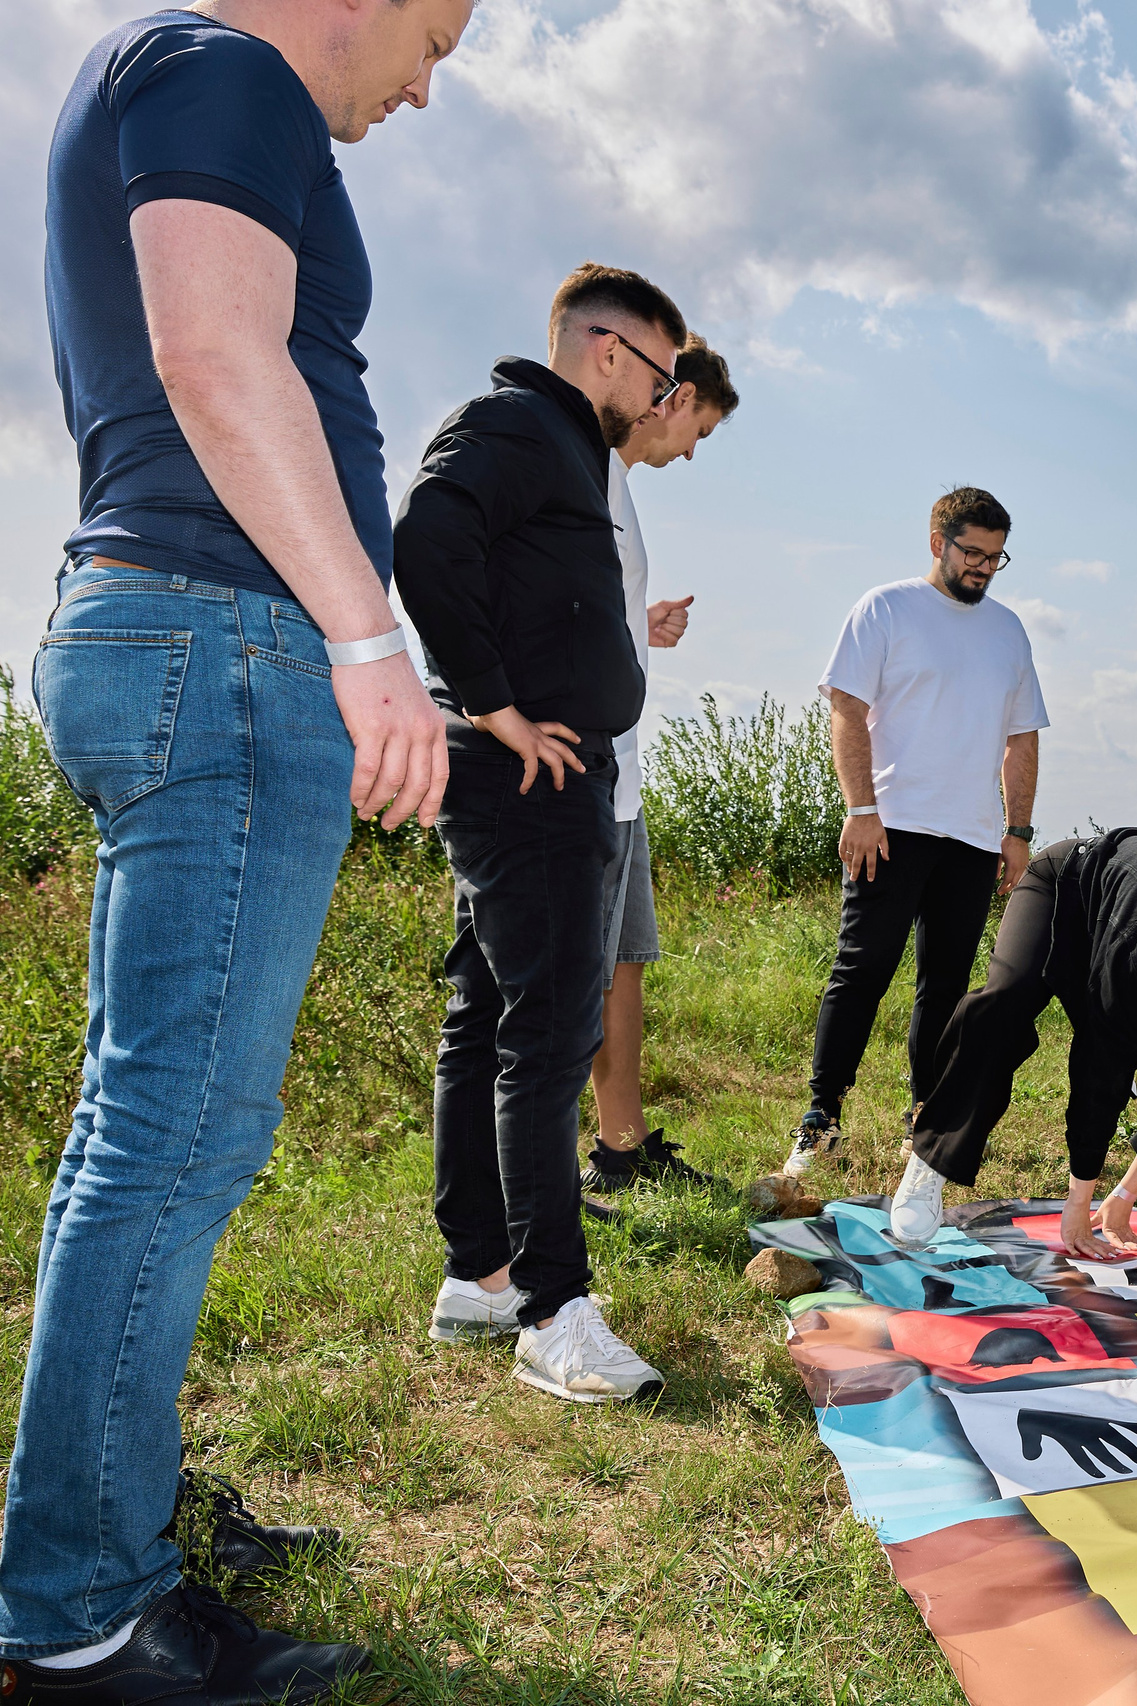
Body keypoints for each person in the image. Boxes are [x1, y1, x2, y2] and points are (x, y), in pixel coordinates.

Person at [4, 2, 469, 1695]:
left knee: (143, 1129)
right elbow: (214, 352)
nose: (427, 85)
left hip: (181, 630)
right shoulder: (227, 66)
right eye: (434, 35)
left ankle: (103, 1515)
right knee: (174, 1140)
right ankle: (80, 1614)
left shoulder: (171, 73)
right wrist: (366, 635)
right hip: (224, 635)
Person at [394, 263, 688, 1406]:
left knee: (487, 1020)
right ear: (609, 348)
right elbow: (426, 536)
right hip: (530, 774)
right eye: (662, 376)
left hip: (532, 771)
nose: (663, 400)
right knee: (552, 1036)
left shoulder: (562, 445)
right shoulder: (518, 423)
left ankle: (481, 1274)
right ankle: (554, 1312)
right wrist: (493, 704)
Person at [787, 488, 1049, 1175]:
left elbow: (1022, 737)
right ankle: (821, 1120)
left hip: (973, 838)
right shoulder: (886, 608)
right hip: (891, 825)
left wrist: (1017, 830)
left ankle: (925, 1122)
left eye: (996, 558)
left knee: (946, 985)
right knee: (862, 970)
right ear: (939, 543)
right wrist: (860, 809)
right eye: (973, 553)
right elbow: (847, 710)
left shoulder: (1008, 631)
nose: (983, 568)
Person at [894, 828, 1137, 1255]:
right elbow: (1100, 1064)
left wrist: (1124, 1194)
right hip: (1067, 884)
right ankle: (931, 1155)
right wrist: (1078, 1202)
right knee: (1004, 1002)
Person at [579, 335, 742, 1205]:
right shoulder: (585, 474)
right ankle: (539, 1176)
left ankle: (623, 1147)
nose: (690, 452)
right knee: (577, 975)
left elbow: (583, 615)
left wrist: (638, 627)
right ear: (673, 399)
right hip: (587, 776)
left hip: (623, 776)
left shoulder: (616, 487)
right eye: (699, 431)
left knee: (625, 962)